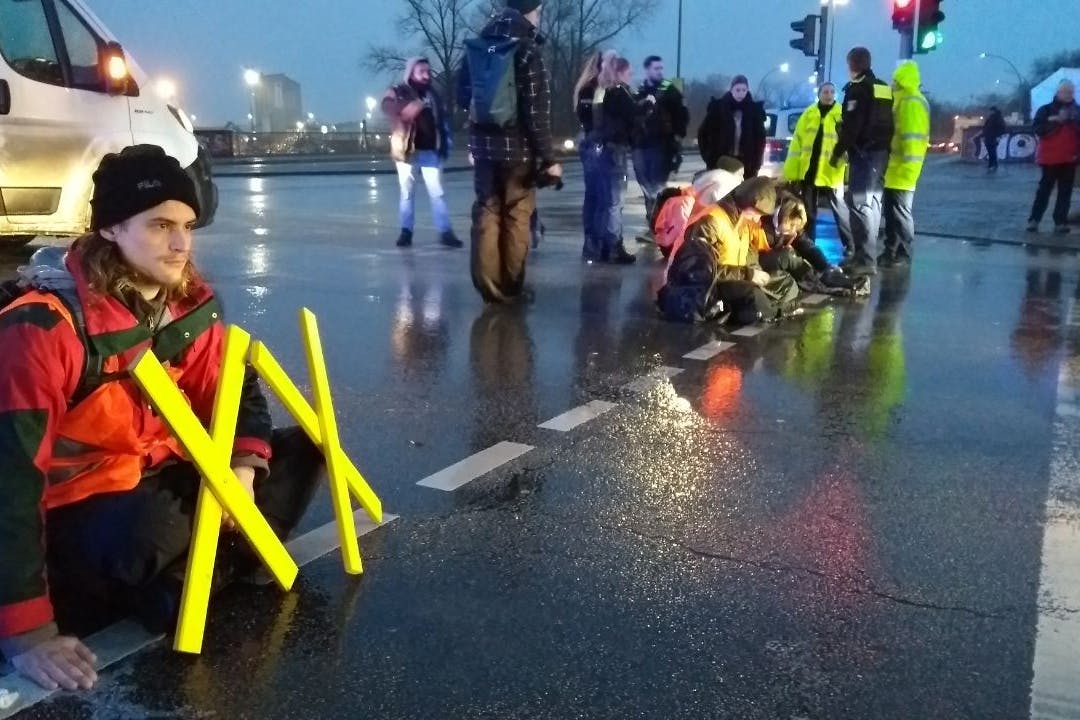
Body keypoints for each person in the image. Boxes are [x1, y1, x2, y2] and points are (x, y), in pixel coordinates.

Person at [0, 145, 322, 692]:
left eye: (188, 226)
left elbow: (232, 387)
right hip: (78, 506)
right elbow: (10, 478)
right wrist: (28, 635)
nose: (181, 244)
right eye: (160, 225)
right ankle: (193, 570)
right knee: (153, 530)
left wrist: (241, 470)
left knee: (305, 452)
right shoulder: (42, 327)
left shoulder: (188, 301)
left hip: (160, 471)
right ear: (111, 230)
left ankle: (183, 579)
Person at [458, 0, 562, 303]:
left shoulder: (478, 47)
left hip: (483, 148)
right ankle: (512, 287)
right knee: (517, 215)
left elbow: (463, 95)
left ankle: (489, 287)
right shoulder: (527, 50)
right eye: (538, 11)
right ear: (528, 12)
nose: (539, 17)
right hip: (518, 151)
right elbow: (536, 113)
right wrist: (550, 159)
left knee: (487, 212)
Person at [657, 177, 799, 325]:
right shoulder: (711, 221)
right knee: (753, 297)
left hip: (732, 278)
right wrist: (748, 275)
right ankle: (774, 312)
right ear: (747, 202)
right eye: (756, 213)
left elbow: (748, 256)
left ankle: (772, 310)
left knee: (785, 283)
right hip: (703, 286)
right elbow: (699, 271)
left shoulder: (744, 222)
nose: (757, 218)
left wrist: (755, 273)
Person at [381, 57, 461, 248]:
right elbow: (386, 105)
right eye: (421, 72)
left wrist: (445, 145)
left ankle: (445, 232)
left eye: (428, 71)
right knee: (407, 193)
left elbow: (442, 120)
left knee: (437, 193)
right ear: (411, 73)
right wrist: (405, 108)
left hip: (430, 150)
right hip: (407, 152)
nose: (426, 75)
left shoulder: (433, 94)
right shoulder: (399, 91)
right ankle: (406, 232)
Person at [831, 47, 894, 276]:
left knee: (860, 206)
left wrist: (838, 152)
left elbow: (853, 126)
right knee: (873, 205)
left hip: (864, 155)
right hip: (881, 154)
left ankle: (864, 259)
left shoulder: (857, 90)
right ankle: (867, 256)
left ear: (852, 65)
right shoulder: (883, 88)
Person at [782, 82, 854, 254]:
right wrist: (793, 172)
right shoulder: (809, 114)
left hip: (832, 171)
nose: (828, 94)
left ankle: (850, 244)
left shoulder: (841, 114)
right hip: (810, 171)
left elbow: (848, 143)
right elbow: (797, 144)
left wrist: (847, 174)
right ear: (819, 94)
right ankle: (808, 245)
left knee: (840, 210)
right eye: (825, 91)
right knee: (808, 212)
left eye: (831, 92)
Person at [595, 56, 653, 264]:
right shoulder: (618, 93)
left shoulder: (606, 92)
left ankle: (603, 245)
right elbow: (634, 115)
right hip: (615, 150)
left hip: (607, 150)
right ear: (620, 73)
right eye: (629, 73)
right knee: (615, 202)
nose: (631, 76)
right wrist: (648, 105)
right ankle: (613, 245)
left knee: (607, 201)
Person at [633, 55, 690, 242]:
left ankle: (657, 225)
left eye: (661, 68)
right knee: (646, 187)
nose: (659, 71)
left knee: (657, 187)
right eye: (656, 68)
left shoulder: (670, 91)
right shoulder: (639, 91)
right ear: (647, 69)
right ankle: (652, 223)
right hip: (641, 144)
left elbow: (682, 116)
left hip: (661, 145)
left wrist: (676, 137)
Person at [881, 60, 930, 268]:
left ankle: (903, 251)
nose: (892, 82)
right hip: (895, 166)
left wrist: (908, 165)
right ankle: (891, 251)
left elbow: (911, 136)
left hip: (903, 167)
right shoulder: (904, 99)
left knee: (900, 212)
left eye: (895, 78)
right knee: (892, 212)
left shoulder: (910, 100)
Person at [574, 50, 616, 260]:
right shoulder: (591, 90)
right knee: (599, 197)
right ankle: (594, 242)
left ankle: (596, 242)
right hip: (594, 146)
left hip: (596, 145)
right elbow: (590, 119)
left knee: (598, 197)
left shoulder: (599, 89)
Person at [1027, 80, 1080, 235]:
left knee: (1065, 192)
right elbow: (1038, 129)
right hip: (1049, 157)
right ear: (1058, 92)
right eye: (1065, 92)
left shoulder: (1077, 111)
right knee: (1044, 190)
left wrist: (1073, 121)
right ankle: (1034, 220)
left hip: (1070, 157)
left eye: (1070, 92)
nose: (1068, 95)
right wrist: (1055, 121)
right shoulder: (1045, 110)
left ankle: (1060, 222)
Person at [697, 75, 767, 177]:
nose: (741, 93)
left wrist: (756, 162)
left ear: (747, 90)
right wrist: (709, 157)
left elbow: (760, 139)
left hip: (746, 164)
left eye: (744, 90)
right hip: (721, 162)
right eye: (737, 90)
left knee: (744, 192)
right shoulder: (719, 108)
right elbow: (703, 133)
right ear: (731, 90)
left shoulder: (754, 111)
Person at [982, 107, 1006, 173]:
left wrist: (998, 136)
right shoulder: (990, 118)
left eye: (990, 111)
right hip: (988, 137)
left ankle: (993, 164)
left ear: (993, 111)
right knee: (990, 151)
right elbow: (985, 127)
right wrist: (984, 135)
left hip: (993, 137)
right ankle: (991, 164)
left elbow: (1002, 128)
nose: (989, 112)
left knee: (992, 151)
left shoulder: (997, 118)